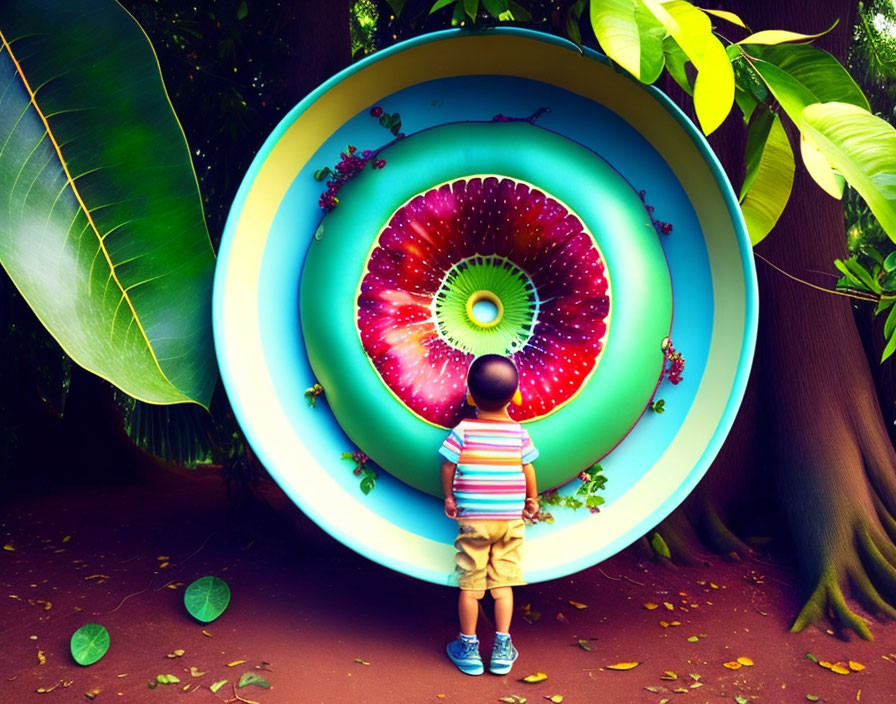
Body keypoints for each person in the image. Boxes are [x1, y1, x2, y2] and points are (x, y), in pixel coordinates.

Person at [439, 354, 539, 676]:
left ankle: (468, 648)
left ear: (470, 396)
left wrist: (450, 496)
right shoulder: (518, 433)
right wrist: (532, 499)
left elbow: (447, 465)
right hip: (510, 520)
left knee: (470, 584)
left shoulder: (464, 429)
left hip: (475, 521)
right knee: (503, 584)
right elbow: (528, 468)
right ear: (514, 396)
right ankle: (501, 647)